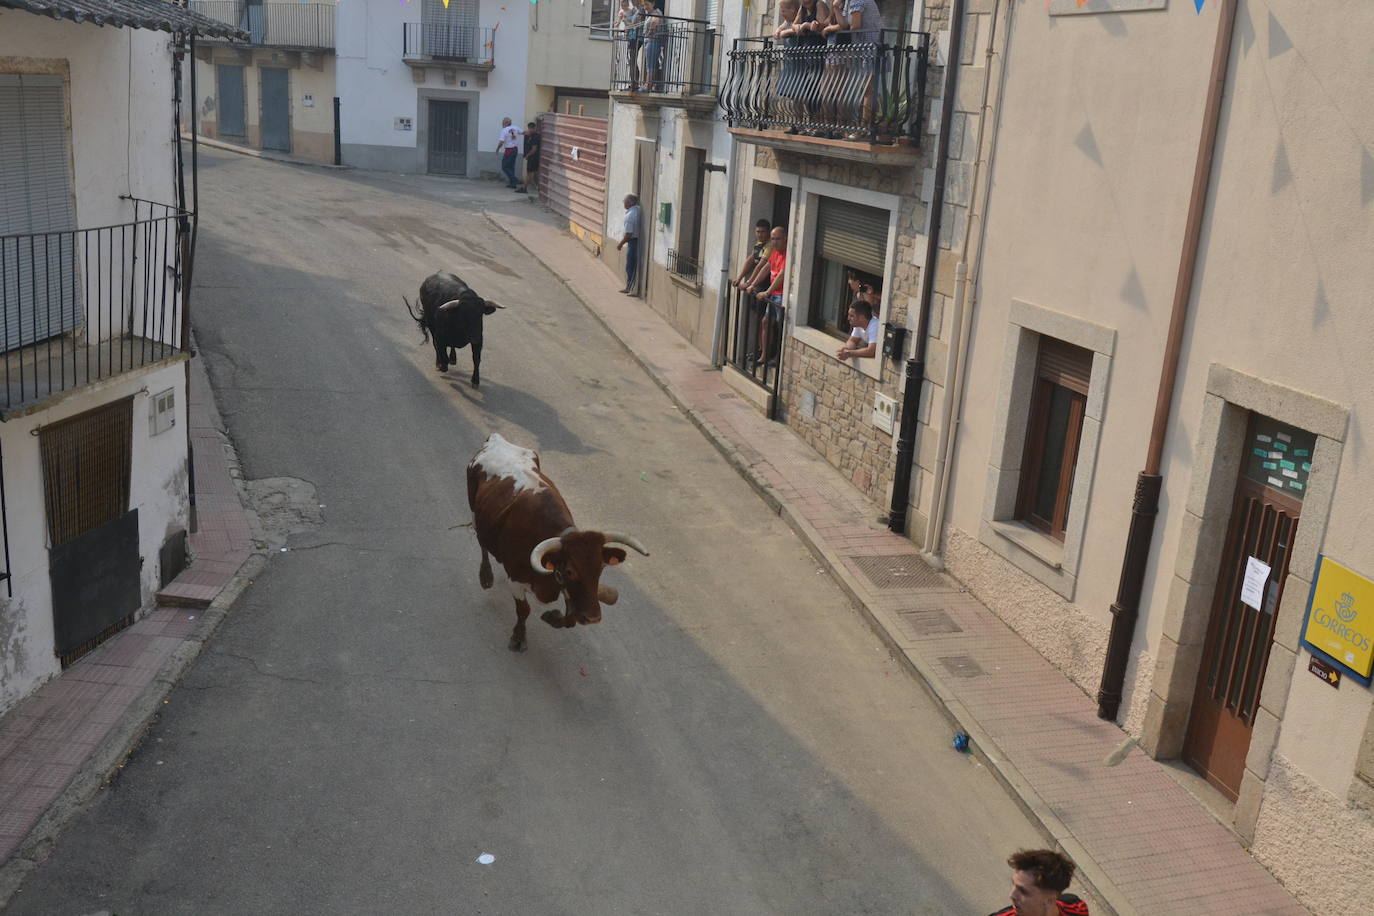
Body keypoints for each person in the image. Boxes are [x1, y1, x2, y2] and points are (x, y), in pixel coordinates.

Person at [988, 849, 1090, 916]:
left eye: (1023, 891)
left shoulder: (1078, 909)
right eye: (1014, 884)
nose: (1012, 895)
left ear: (1050, 901)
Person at [744, 225, 787, 369]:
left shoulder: (788, 254)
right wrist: (752, 284)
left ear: (785, 239)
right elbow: (766, 268)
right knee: (766, 322)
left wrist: (767, 292)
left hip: (780, 296)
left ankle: (777, 358)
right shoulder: (774, 252)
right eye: (773, 239)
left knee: (780, 327)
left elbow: (782, 275)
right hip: (773, 295)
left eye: (778, 239)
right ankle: (764, 356)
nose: (775, 242)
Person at [731, 219, 772, 292]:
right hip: (756, 281)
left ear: (769, 232)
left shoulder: (770, 245)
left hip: (766, 282)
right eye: (758, 232)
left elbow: (760, 266)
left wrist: (748, 283)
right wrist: (739, 278)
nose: (760, 235)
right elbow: (751, 259)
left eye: (763, 232)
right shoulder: (760, 242)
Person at [615, 194, 642, 295]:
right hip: (634, 241)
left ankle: (631, 289)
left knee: (630, 266)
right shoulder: (637, 210)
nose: (624, 203)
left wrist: (620, 244)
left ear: (629, 203)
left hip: (633, 242)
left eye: (624, 202)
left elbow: (629, 234)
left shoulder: (630, 215)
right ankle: (628, 287)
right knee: (630, 265)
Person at [618, 0, 644, 91]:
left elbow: (634, 25)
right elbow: (630, 25)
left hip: (637, 38)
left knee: (632, 61)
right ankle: (633, 83)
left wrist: (625, 20)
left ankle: (634, 84)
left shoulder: (641, 10)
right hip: (632, 37)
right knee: (632, 61)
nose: (632, 2)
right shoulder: (635, 10)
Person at [640, 0, 665, 93]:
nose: (645, 7)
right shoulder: (651, 14)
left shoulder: (656, 12)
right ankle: (651, 84)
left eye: (647, 4)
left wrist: (650, 31)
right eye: (644, 5)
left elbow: (655, 21)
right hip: (650, 41)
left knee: (650, 65)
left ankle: (648, 85)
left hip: (652, 41)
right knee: (651, 64)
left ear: (653, 4)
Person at [495, 117, 522, 189]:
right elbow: (523, 132)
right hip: (515, 149)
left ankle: (514, 180)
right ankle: (513, 184)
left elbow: (501, 142)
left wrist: (497, 149)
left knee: (504, 166)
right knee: (511, 167)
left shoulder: (504, 130)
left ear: (506, 123)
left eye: (503, 122)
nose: (502, 124)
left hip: (509, 150)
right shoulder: (515, 127)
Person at [516, 121, 540, 194]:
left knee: (530, 173)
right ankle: (536, 187)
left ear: (535, 128)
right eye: (529, 128)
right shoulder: (530, 135)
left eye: (532, 129)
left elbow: (534, 149)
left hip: (533, 157)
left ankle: (524, 188)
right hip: (532, 157)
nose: (530, 130)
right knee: (534, 173)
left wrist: (527, 155)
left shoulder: (535, 137)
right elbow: (524, 133)